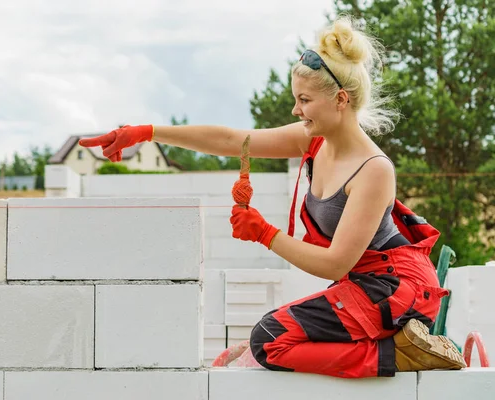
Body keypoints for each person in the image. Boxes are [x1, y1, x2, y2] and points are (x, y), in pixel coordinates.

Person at [79, 16, 466, 378]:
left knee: (269, 339)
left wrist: (264, 233)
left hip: (396, 290)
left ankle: (398, 354)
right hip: (364, 286)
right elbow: (232, 141)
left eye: (305, 100)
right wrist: (145, 132)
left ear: (341, 100)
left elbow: (334, 264)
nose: (296, 110)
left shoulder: (374, 170)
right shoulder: (313, 140)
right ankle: (392, 350)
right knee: (268, 338)